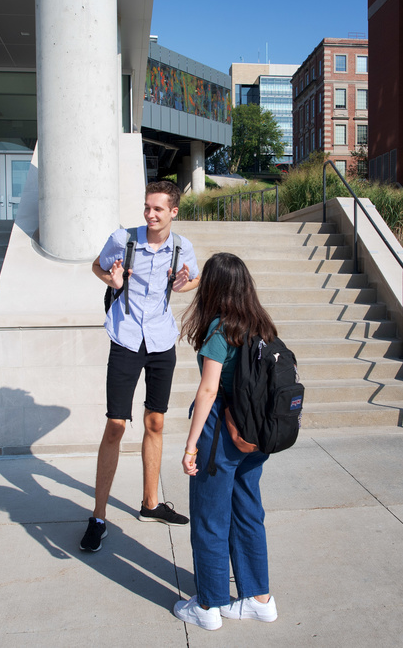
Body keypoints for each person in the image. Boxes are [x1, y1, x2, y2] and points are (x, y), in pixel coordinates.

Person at [80, 180, 201, 552]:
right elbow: (98, 267)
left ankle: (150, 505)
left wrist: (182, 285)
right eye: (147, 207)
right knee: (116, 424)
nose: (150, 214)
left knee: (156, 421)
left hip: (161, 341)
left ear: (173, 212)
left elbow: (192, 277)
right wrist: (112, 279)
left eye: (157, 209)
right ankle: (98, 517)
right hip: (126, 337)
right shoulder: (123, 239)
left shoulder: (182, 246)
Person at [174, 252, 279, 631]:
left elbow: (208, 389)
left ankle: (208, 605)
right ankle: (258, 598)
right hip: (255, 436)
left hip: (220, 433)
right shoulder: (263, 326)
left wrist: (189, 447)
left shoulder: (221, 329)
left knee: (209, 519)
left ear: (214, 287)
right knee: (249, 513)